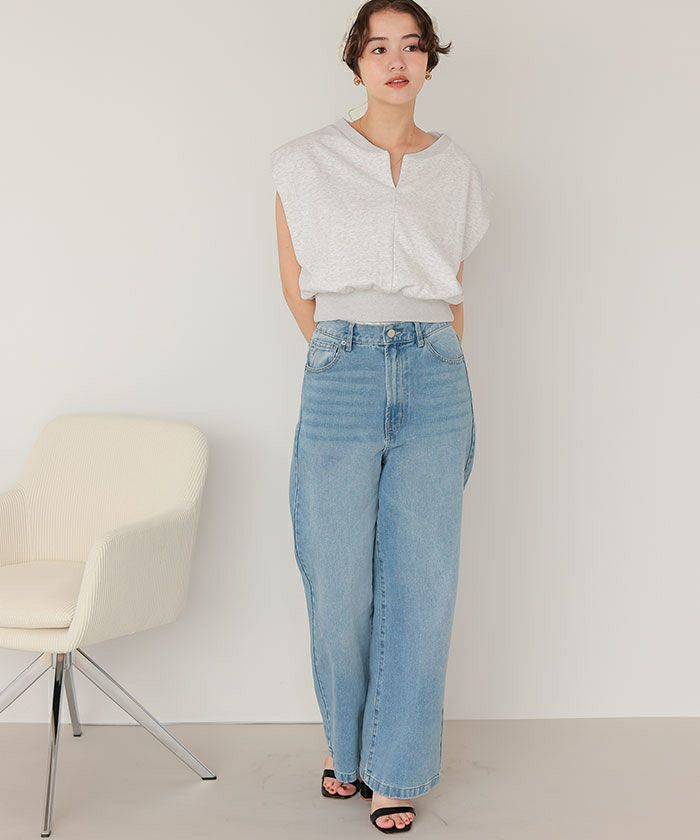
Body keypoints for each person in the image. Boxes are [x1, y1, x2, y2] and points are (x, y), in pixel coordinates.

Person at [270, 0, 493, 832]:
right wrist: (346, 353)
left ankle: (394, 769)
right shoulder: (304, 160)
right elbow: (294, 283)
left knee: (422, 583)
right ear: (356, 61)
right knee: (336, 581)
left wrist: (433, 358)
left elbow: (453, 285)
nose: (396, 61)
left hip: (435, 371)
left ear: (430, 59)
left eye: (411, 46)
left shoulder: (455, 168)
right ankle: (346, 746)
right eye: (378, 47)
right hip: (342, 368)